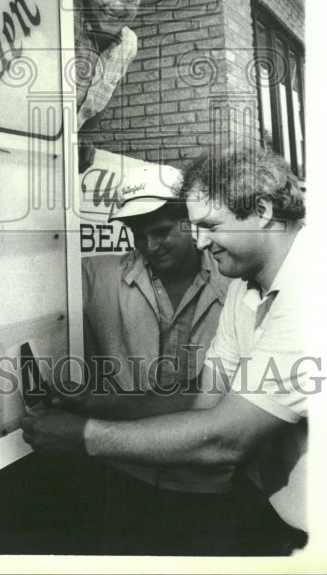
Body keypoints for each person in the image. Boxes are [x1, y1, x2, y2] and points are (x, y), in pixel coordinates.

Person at [23, 146, 309, 555]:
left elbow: (227, 438)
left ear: (262, 209)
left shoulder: (312, 289)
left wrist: (83, 436)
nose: (201, 240)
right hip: (281, 517)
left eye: (210, 225)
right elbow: (200, 398)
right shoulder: (245, 285)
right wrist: (92, 404)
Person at [80, 162, 235, 555]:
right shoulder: (99, 277)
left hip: (213, 487)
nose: (150, 246)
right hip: (126, 477)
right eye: (138, 235)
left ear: (188, 220)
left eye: (161, 231)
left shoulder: (235, 284)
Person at [73, 0, 153, 168]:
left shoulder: (129, 43)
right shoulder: (58, 17)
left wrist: (83, 135)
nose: (117, 6)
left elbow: (105, 94)